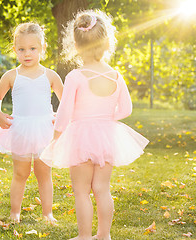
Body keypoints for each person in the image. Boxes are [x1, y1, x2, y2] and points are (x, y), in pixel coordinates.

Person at [40, 10, 149, 240]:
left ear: (77, 47)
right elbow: (126, 110)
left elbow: (64, 113)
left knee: (81, 191)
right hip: (106, 137)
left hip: (80, 137)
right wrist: (107, 119)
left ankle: (84, 236)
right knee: (102, 189)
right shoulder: (116, 76)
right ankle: (104, 236)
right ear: (107, 43)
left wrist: (56, 138)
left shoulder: (75, 77)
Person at [0, 22, 63, 223]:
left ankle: (48, 213)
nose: (27, 54)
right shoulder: (12, 75)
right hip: (20, 129)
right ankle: (15, 212)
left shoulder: (50, 75)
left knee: (43, 174)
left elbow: (66, 101)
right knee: (20, 173)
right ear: (15, 50)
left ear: (42, 48)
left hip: (44, 131)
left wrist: (60, 118)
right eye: (21, 49)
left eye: (32, 49)